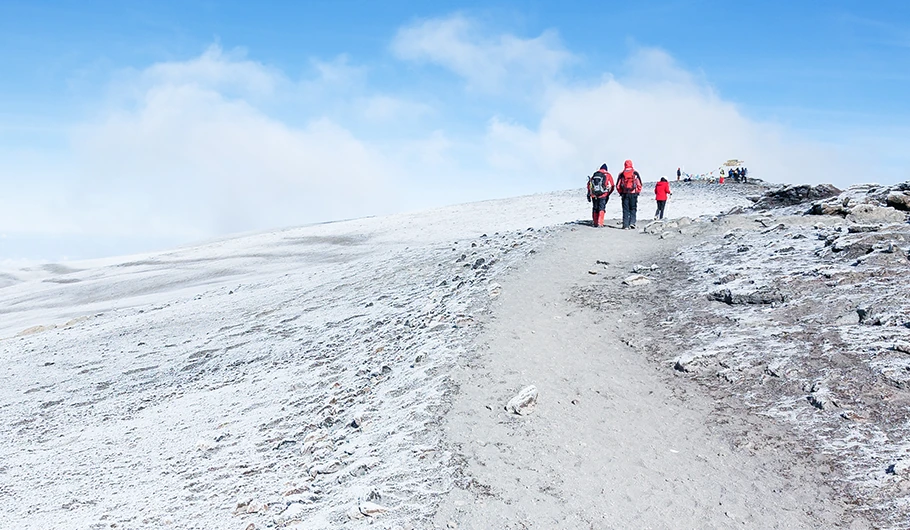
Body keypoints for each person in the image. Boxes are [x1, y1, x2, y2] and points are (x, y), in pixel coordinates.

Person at [616, 159, 643, 229]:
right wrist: (637, 192)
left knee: (625, 210)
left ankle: (625, 225)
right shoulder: (635, 173)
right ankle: (632, 223)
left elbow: (618, 185)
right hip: (633, 194)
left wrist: (621, 192)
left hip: (625, 194)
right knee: (633, 208)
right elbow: (639, 184)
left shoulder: (622, 174)